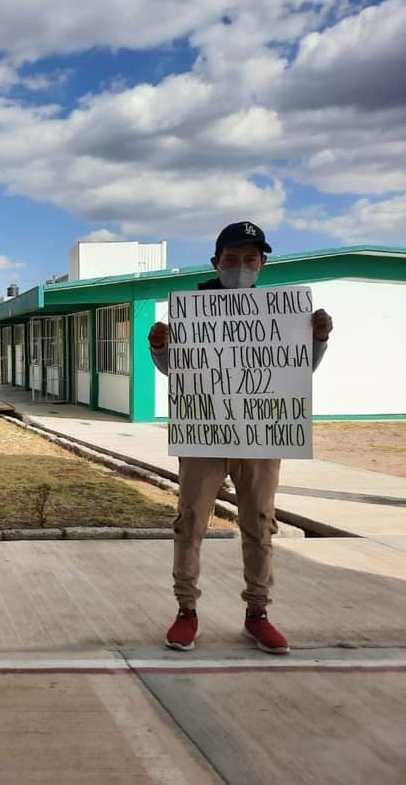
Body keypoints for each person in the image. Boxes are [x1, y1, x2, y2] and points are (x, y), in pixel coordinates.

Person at [148, 221, 333, 654]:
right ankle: (186, 611)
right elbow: (177, 372)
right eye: (231, 260)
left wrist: (318, 338)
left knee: (260, 525)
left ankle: (258, 613)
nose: (240, 267)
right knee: (190, 522)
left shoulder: (283, 314)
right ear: (216, 262)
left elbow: (295, 372)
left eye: (250, 260)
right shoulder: (194, 310)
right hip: (204, 435)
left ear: (262, 265)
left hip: (262, 436)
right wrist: (160, 347)